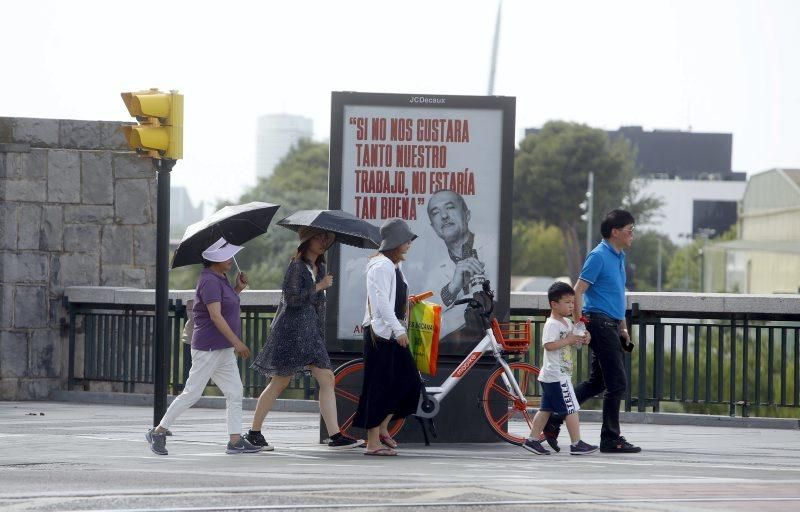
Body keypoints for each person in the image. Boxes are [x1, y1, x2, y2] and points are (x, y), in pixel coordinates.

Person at [247, 227, 362, 450]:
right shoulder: (297, 267)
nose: (322, 242)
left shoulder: (320, 268)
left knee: (327, 378)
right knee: (279, 382)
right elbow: (292, 300)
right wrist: (319, 286)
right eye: (317, 238)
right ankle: (254, 432)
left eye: (325, 239)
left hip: (310, 333)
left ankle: (335, 435)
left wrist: (319, 287)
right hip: (291, 332)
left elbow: (315, 306)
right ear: (306, 242)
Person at [146, 237, 261, 455]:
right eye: (226, 255)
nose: (231, 259)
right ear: (214, 259)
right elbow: (216, 317)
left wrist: (237, 288)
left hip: (223, 348)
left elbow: (224, 305)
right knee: (192, 393)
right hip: (208, 348)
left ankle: (235, 441)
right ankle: (158, 431)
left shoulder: (221, 277)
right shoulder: (208, 280)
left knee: (235, 392)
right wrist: (238, 343)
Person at [543, 209, 642, 454]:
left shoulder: (618, 256)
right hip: (598, 322)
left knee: (598, 382)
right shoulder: (598, 256)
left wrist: (623, 327)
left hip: (611, 324)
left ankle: (554, 418)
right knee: (617, 383)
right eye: (630, 230)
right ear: (615, 232)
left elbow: (616, 295)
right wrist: (579, 325)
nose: (633, 235)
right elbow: (578, 290)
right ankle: (610, 438)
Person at [353, 218, 423, 456]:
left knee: (409, 382)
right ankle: (372, 442)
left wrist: (407, 303)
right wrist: (399, 329)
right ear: (395, 242)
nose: (409, 244)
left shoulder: (394, 266)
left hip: (389, 333)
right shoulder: (381, 266)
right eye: (405, 240)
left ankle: (382, 428)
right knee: (378, 387)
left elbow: (392, 298)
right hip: (380, 334)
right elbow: (381, 303)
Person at [522, 282, 597, 456]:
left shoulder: (567, 322)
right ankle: (576, 443)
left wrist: (584, 338)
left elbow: (576, 341)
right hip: (556, 374)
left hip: (554, 374)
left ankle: (532, 440)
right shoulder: (552, 324)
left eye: (573, 302)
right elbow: (548, 345)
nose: (572, 306)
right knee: (571, 408)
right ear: (554, 304)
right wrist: (569, 340)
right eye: (567, 302)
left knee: (546, 409)